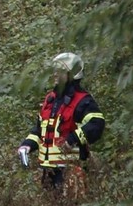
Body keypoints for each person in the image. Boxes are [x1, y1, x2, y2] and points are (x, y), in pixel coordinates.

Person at [17, 52, 105, 191]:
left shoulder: (83, 101)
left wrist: (72, 139)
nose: (55, 74)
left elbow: (96, 124)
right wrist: (27, 146)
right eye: (55, 71)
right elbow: (40, 130)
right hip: (48, 171)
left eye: (60, 71)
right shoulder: (50, 100)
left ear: (72, 75)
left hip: (71, 172)